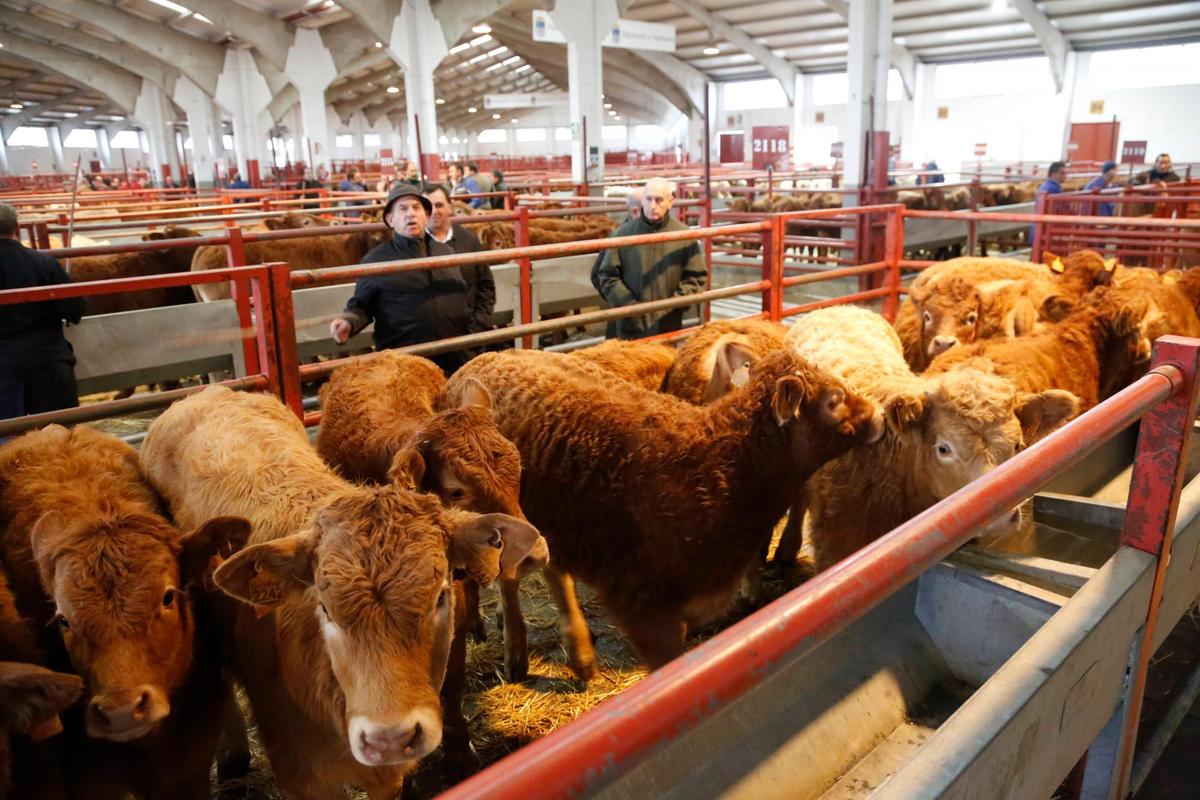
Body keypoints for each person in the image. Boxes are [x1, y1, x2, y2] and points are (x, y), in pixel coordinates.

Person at [329, 184, 473, 375]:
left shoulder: (446, 253)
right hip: (404, 365)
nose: (410, 214)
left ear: (426, 215)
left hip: (453, 358)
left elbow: (465, 295)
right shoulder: (375, 261)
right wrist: (349, 321)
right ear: (390, 220)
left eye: (416, 208)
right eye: (403, 209)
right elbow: (361, 307)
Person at [592, 177, 707, 340]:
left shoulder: (683, 236)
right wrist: (629, 306)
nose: (653, 206)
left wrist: (674, 305)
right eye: (648, 199)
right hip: (631, 326)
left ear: (670, 202)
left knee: (665, 363)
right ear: (642, 201)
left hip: (668, 323)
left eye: (659, 200)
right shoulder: (622, 234)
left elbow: (696, 276)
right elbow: (607, 275)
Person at [0, 204, 84, 422]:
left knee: (7, 437)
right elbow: (74, 310)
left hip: (3, 368)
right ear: (16, 228)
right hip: (48, 362)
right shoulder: (44, 262)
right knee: (57, 431)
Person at [424, 185, 495, 338]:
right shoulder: (413, 245)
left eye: (439, 205)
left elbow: (486, 285)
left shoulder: (468, 239)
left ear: (450, 207)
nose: (434, 212)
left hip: (467, 332)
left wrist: (478, 325)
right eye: (428, 207)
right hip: (429, 337)